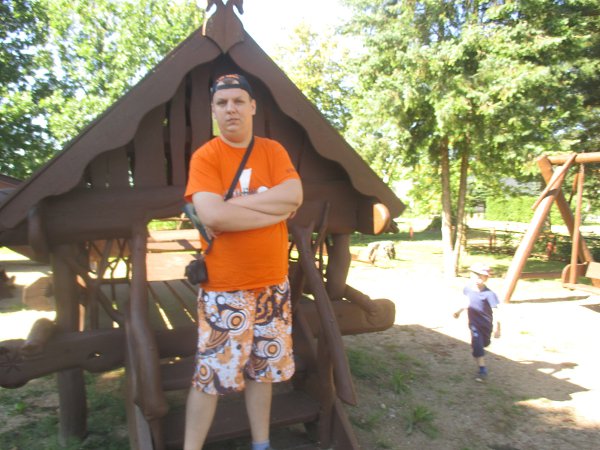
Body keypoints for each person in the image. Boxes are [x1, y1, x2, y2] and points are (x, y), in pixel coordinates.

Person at [183, 74, 303, 450]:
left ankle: (261, 444)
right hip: (224, 289)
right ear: (213, 110)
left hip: (273, 285)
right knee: (210, 377)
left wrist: (234, 206)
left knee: (262, 372)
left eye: (238, 101)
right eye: (222, 103)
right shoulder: (206, 157)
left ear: (252, 107)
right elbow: (212, 216)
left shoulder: (273, 151)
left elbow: (294, 195)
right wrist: (274, 210)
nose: (230, 109)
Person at [453, 263, 501, 382]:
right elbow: (466, 302)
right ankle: (482, 369)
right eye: (475, 276)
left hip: (486, 324)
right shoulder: (468, 289)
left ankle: (481, 349)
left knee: (484, 343)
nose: (478, 280)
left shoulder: (489, 294)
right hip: (474, 324)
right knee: (477, 344)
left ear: (486, 278)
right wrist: (459, 311)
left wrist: (497, 327)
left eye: (481, 277)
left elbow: (496, 311)